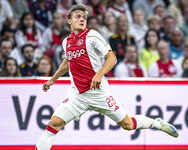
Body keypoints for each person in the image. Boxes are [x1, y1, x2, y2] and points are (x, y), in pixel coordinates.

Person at [35, 4, 179, 150]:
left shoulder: (92, 36)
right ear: (69, 21)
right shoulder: (66, 42)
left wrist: (99, 74)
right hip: (77, 95)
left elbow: (112, 58)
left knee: (128, 125)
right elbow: (68, 61)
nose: (81, 19)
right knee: (53, 125)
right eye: (77, 16)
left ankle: (158, 124)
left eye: (84, 17)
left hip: (98, 92)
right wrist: (52, 79)